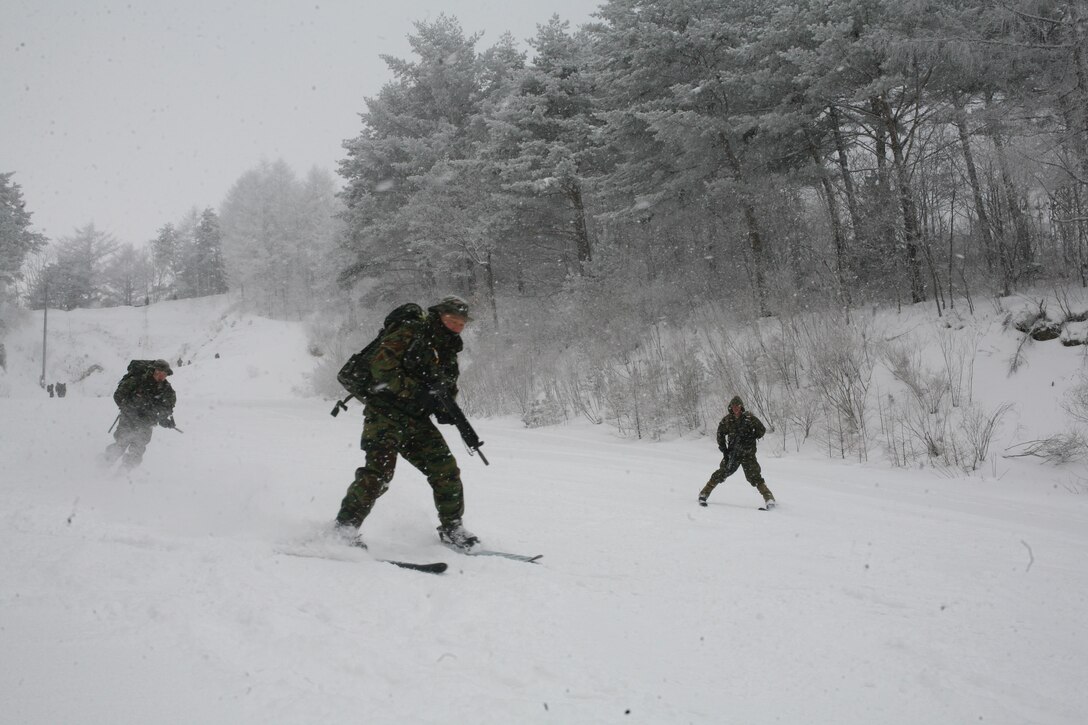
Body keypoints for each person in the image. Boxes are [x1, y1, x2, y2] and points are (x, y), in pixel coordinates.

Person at [334, 296, 480, 550]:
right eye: (452, 320)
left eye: (461, 323)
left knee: (445, 469)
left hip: (416, 419)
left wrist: (445, 407)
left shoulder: (449, 348)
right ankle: (344, 531)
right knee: (379, 474)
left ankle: (452, 527)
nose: (457, 326)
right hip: (385, 414)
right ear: (439, 315)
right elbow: (382, 371)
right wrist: (417, 392)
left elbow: (447, 386)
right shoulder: (411, 332)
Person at [699, 395, 776, 509]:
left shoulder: (749, 418)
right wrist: (723, 448)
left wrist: (752, 437)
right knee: (721, 473)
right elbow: (720, 432)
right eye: (733, 406)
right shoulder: (727, 420)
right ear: (731, 407)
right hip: (732, 454)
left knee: (754, 476)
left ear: (741, 407)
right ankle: (704, 494)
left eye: (737, 406)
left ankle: (769, 499)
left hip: (747, 454)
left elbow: (762, 430)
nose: (735, 408)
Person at [103, 359, 177, 470]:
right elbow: (118, 395)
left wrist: (164, 419)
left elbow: (167, 407)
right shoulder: (137, 380)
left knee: (138, 450)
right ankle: (101, 465)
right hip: (128, 419)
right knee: (121, 444)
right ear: (153, 371)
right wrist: (131, 410)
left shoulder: (166, 389)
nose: (161, 376)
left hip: (146, 423)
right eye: (158, 372)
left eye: (164, 374)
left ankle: (123, 475)